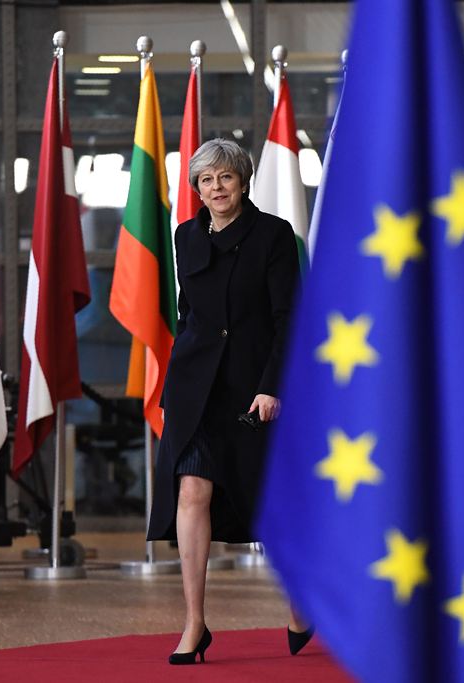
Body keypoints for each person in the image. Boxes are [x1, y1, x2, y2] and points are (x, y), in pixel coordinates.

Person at [146, 138, 309, 665]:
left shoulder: (274, 236)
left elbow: (289, 320)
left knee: (270, 502)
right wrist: (175, 385)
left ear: (243, 180)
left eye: (226, 178)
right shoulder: (185, 236)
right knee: (191, 491)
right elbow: (188, 313)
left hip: (254, 389)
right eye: (206, 180)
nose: (216, 188)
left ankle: (301, 602)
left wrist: (273, 385)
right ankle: (194, 622)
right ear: (195, 188)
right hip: (195, 389)